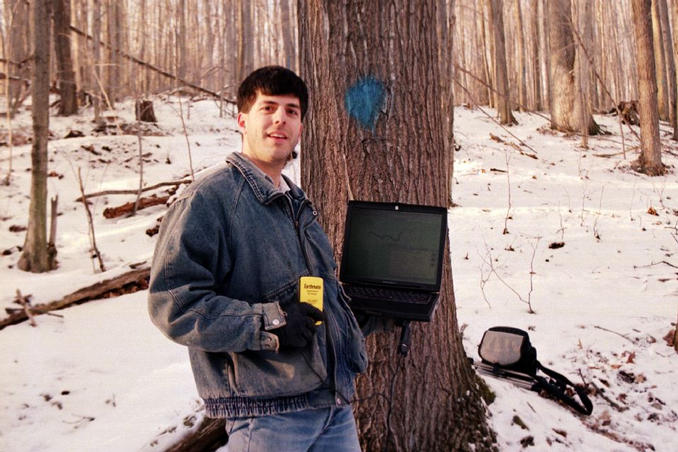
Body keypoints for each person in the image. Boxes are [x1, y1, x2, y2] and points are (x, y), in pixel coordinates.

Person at [148, 66, 368, 451]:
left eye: (292, 111)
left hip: (332, 408)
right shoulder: (209, 199)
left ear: (300, 128)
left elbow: (313, 307)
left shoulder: (296, 203)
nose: (280, 118)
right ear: (242, 120)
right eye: (268, 108)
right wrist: (270, 321)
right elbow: (174, 304)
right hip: (266, 416)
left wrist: (372, 312)